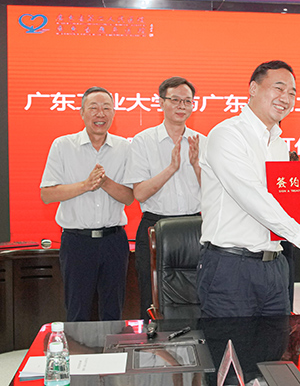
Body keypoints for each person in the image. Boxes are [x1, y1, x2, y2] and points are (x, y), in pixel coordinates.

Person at [197, 60, 300, 317]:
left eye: (292, 93)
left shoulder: (279, 144)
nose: (286, 98)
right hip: (231, 267)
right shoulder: (227, 135)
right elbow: (254, 197)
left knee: (277, 342)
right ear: (253, 88)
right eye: (278, 88)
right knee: (231, 344)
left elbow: (285, 203)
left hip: (275, 266)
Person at [40, 86, 133, 321]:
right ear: (82, 113)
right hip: (77, 242)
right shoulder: (62, 145)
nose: (100, 114)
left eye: (106, 108)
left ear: (114, 113)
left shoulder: (125, 148)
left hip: (114, 241)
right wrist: (86, 184)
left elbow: (130, 197)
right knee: (77, 311)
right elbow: (47, 194)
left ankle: (112, 347)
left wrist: (105, 183)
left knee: (113, 312)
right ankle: (77, 347)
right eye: (93, 108)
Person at [125, 77, 205, 321]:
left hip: (195, 226)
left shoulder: (202, 141)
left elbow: (213, 192)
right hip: (155, 227)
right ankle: (153, 343)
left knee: (197, 295)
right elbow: (139, 193)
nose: (182, 106)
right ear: (161, 102)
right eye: (175, 100)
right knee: (152, 297)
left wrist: (195, 166)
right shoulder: (143, 141)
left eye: (187, 101)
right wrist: (172, 168)